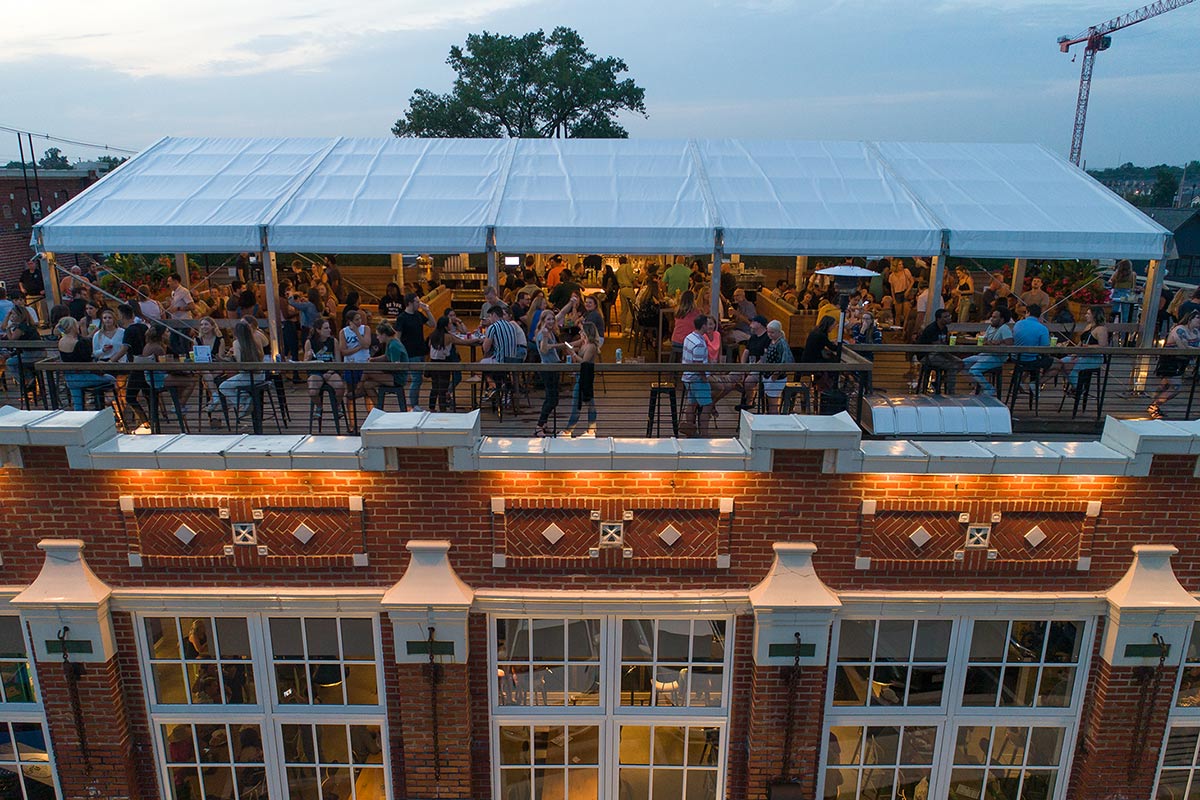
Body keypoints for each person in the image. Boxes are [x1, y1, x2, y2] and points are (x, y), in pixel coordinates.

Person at [1148, 311, 1200, 419]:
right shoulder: (1179, 329)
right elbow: (1183, 347)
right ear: (1190, 319)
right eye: (1197, 318)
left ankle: (1154, 405)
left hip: (1182, 363)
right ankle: (1154, 405)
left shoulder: (1196, 332)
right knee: (1175, 387)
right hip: (1171, 361)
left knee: (1165, 385)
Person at [1044, 305, 1108, 392]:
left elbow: (1103, 346)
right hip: (1082, 354)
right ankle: (1075, 386)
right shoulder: (1088, 326)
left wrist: (1089, 347)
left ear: (1095, 315)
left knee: (1068, 366)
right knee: (1061, 363)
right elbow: (1081, 342)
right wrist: (1074, 352)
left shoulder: (1101, 329)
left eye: (1088, 314)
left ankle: (1078, 388)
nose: (1086, 315)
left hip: (1094, 357)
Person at [56, 317, 115, 410]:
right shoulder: (78, 343)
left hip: (70, 378)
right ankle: (108, 402)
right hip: (83, 377)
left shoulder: (61, 341)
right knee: (111, 379)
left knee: (78, 404)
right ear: (72, 327)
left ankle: (80, 419)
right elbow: (88, 361)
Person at [396, 293, 436, 411]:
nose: (419, 304)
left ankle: (414, 403)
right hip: (410, 351)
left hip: (420, 350)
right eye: (417, 302)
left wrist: (427, 311)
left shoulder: (418, 315)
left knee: (418, 378)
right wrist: (401, 352)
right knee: (416, 378)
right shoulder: (402, 317)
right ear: (409, 303)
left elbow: (432, 324)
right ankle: (413, 404)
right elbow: (398, 336)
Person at [217, 321, 266, 417]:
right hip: (260, 375)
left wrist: (231, 356)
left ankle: (244, 400)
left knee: (223, 386)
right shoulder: (256, 341)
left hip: (247, 376)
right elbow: (261, 356)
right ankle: (245, 398)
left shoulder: (236, 343)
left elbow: (240, 363)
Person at [534, 312, 570, 437]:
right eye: (548, 319)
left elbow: (561, 314)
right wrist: (559, 345)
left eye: (552, 319)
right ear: (543, 320)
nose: (551, 321)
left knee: (553, 398)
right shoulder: (542, 334)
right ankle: (539, 425)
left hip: (554, 366)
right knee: (551, 399)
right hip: (547, 368)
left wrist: (571, 303)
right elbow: (543, 349)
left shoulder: (550, 332)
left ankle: (543, 424)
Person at [562, 322, 600, 437]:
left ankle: (568, 430)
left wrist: (573, 354)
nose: (580, 333)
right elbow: (568, 345)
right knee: (589, 402)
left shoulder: (591, 346)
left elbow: (585, 362)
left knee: (577, 402)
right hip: (581, 375)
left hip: (585, 376)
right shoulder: (584, 344)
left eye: (582, 331)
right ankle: (591, 428)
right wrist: (569, 348)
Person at [963, 308, 1014, 395]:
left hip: (997, 357)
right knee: (961, 364)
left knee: (974, 370)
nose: (991, 319)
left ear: (1002, 319)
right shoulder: (990, 327)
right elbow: (985, 340)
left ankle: (988, 388)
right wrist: (993, 343)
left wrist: (999, 342)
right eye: (992, 317)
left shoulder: (1004, 329)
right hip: (985, 354)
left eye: (994, 317)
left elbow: (1009, 343)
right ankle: (978, 385)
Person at [916, 309, 963, 394]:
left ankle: (938, 381)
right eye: (945, 317)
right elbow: (938, 348)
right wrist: (952, 358)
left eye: (949, 316)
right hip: (927, 355)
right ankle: (951, 392)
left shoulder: (944, 328)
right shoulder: (932, 329)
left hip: (938, 353)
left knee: (961, 364)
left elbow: (943, 346)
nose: (949, 318)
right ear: (938, 319)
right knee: (953, 365)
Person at [681, 314, 713, 437]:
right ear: (703, 326)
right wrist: (704, 378)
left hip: (687, 377)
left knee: (692, 403)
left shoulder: (689, 337)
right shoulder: (699, 343)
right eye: (708, 324)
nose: (709, 326)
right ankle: (704, 433)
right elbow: (698, 364)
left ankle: (690, 430)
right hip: (697, 378)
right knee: (707, 405)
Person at [1011, 304, 1053, 397]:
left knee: (1031, 361)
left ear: (1028, 312)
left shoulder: (1018, 324)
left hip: (1016, 358)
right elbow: (1045, 348)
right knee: (1057, 363)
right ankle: (1036, 383)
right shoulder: (1042, 328)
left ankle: (1021, 381)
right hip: (1031, 359)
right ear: (1039, 315)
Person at [362, 321, 407, 407]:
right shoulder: (390, 343)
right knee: (367, 385)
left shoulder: (394, 346)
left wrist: (379, 368)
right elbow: (386, 356)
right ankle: (379, 408)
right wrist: (373, 360)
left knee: (367, 370)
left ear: (384, 334)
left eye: (378, 335)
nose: (377, 337)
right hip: (392, 375)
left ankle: (357, 389)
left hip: (397, 378)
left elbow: (395, 365)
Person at [303, 318, 344, 411]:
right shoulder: (310, 342)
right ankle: (319, 406)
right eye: (326, 328)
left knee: (340, 386)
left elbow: (338, 362)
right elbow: (305, 363)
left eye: (329, 328)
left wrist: (330, 372)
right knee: (313, 391)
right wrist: (308, 357)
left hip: (330, 371)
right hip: (315, 372)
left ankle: (337, 405)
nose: (329, 330)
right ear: (318, 330)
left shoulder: (333, 341)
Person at [737, 315, 771, 411]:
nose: (750, 325)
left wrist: (753, 368)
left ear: (759, 324)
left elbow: (765, 357)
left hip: (761, 367)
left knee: (748, 381)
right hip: (749, 365)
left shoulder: (767, 338)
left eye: (753, 322)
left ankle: (749, 400)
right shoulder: (753, 337)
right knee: (734, 377)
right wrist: (742, 366)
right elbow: (746, 352)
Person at [761, 319, 794, 413]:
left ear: (779, 332)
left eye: (772, 332)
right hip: (768, 375)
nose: (770, 334)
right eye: (768, 332)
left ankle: (773, 422)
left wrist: (777, 373)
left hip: (776, 377)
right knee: (770, 402)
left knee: (773, 404)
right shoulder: (773, 341)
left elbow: (786, 360)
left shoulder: (781, 343)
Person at [887, 260, 915, 327]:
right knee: (898, 314)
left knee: (906, 314)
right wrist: (893, 298)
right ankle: (897, 329)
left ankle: (905, 329)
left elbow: (912, 281)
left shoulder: (906, 271)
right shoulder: (891, 275)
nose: (901, 266)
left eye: (902, 264)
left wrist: (908, 291)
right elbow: (892, 288)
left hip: (905, 291)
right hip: (897, 293)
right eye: (899, 264)